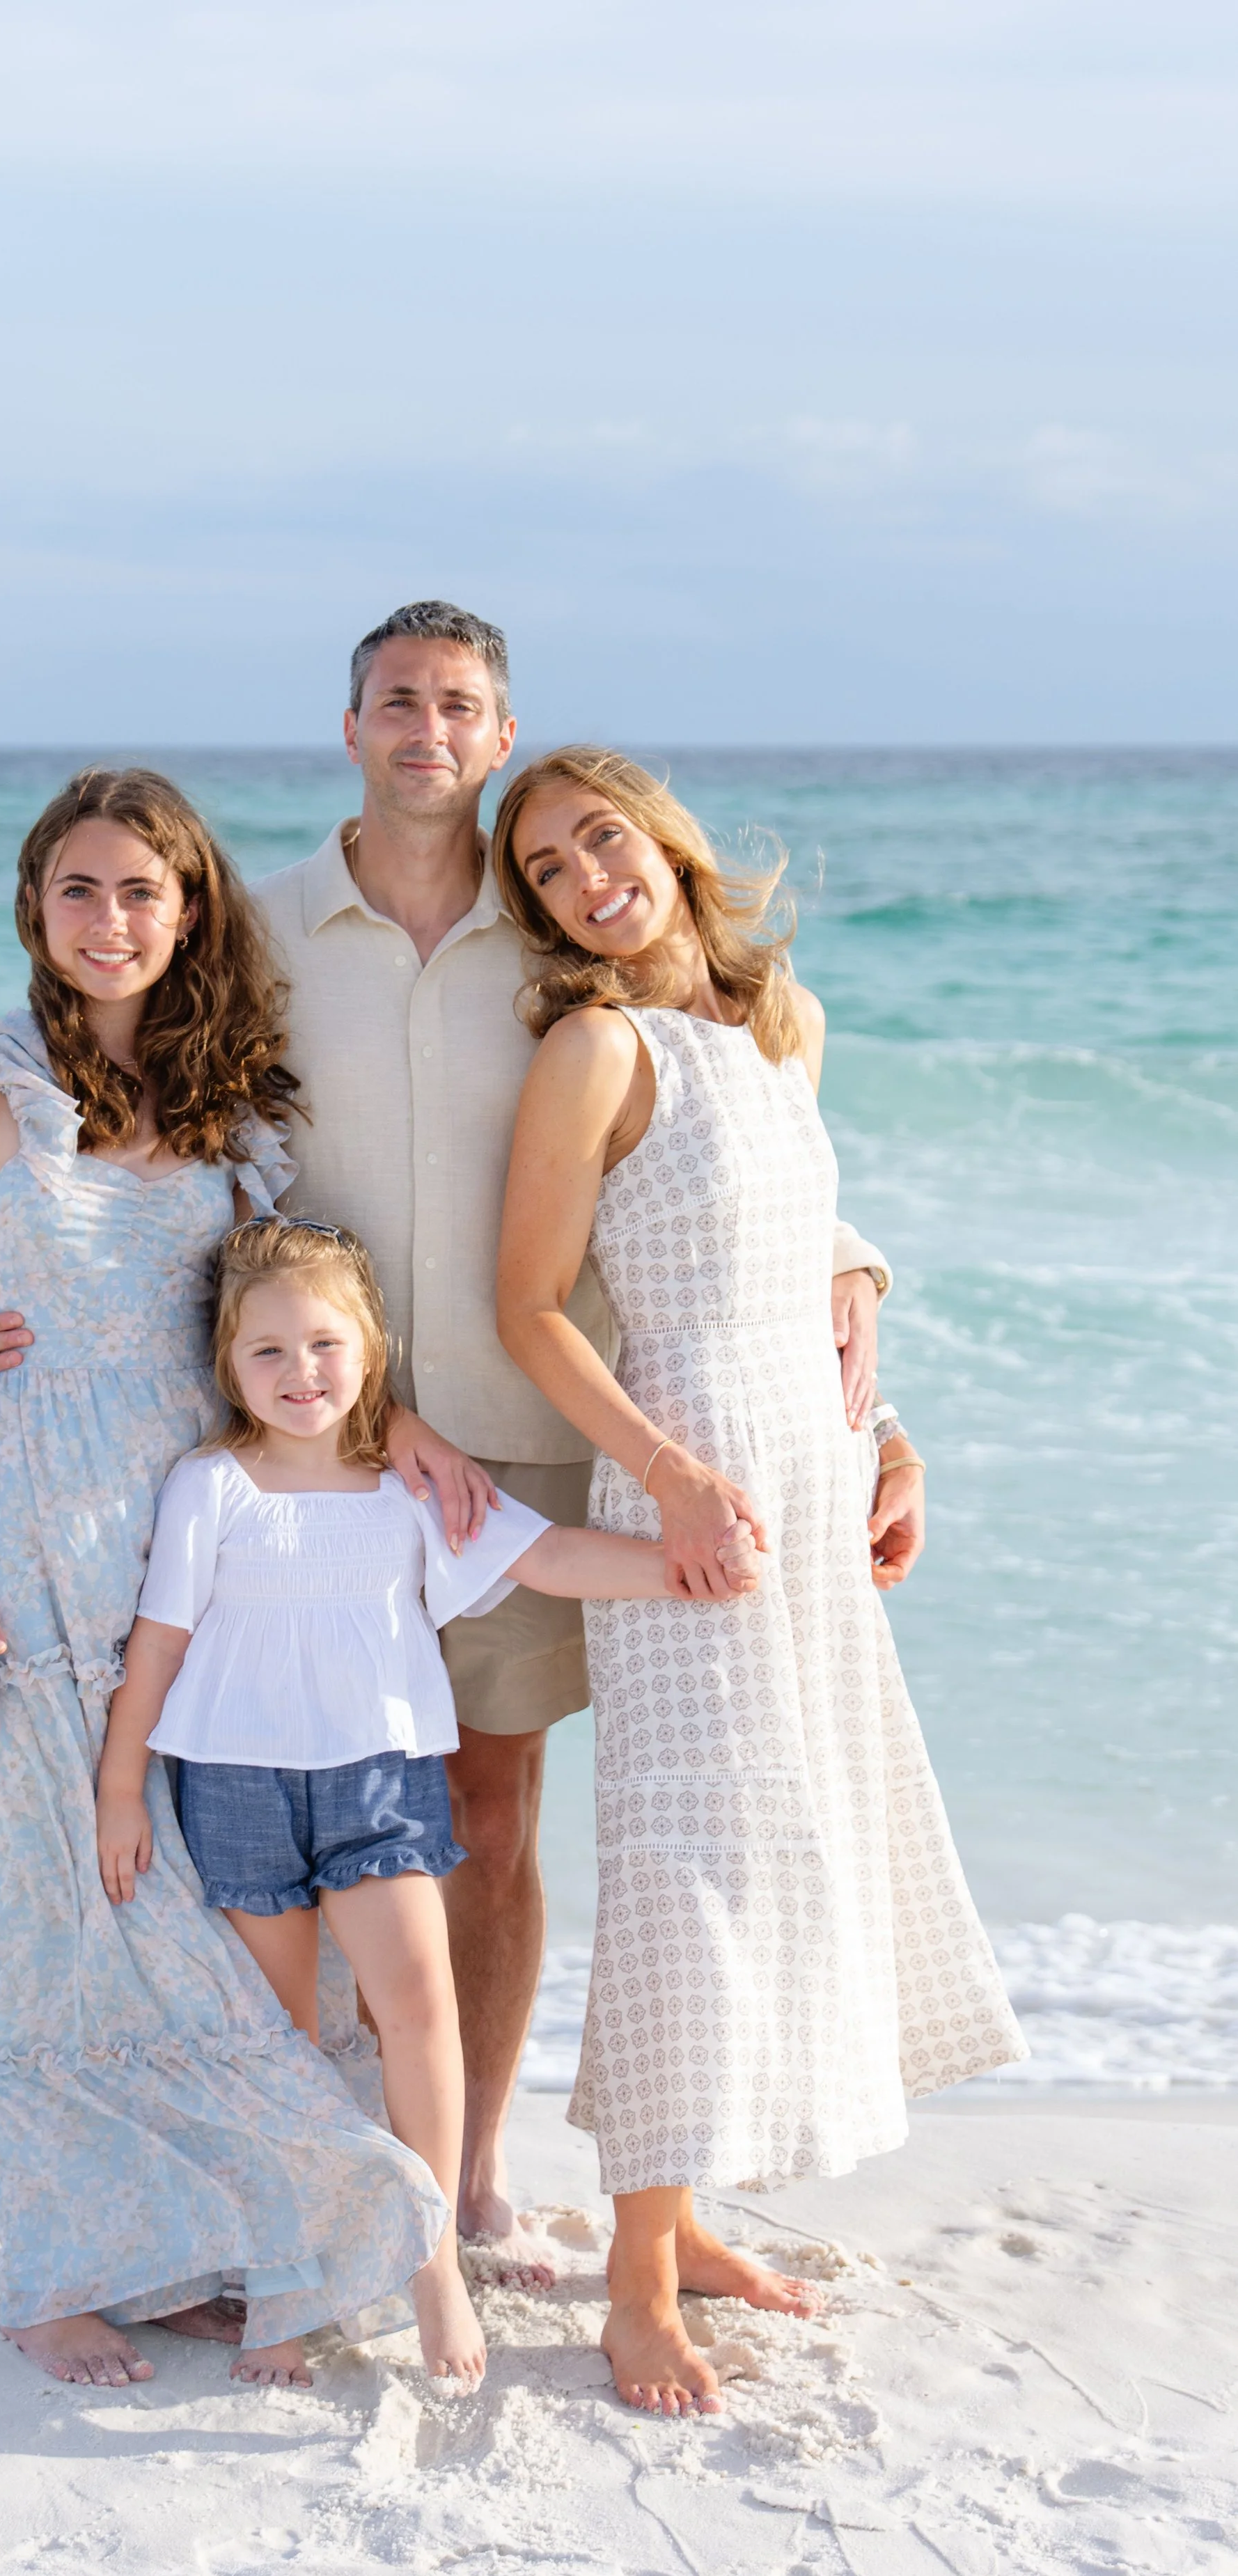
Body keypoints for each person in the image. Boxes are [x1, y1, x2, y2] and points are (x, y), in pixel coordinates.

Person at [0, 601, 898, 2285]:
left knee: (491, 1807)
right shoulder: (256, 924)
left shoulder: (561, 946)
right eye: (397, 700)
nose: (426, 730)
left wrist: (850, 1275)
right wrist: (0, 1276)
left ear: (499, 727)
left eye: (459, 704)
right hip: (319, 1458)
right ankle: (321, 2181)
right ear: (350, 726)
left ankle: (464, 2182)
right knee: (289, 1811)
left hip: (538, 1439)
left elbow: (730, 1130)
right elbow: (143, 1103)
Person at [0, 764, 450, 2394]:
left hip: (214, 1545)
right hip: (33, 1537)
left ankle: (209, 2230)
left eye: (143, 889)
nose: (110, 919)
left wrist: (398, 1441)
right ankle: (57, 2270)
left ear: (190, 908)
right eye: (78, 889)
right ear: (33, 908)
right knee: (57, 1890)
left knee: (201, 1893)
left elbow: (291, 1324)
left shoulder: (236, 1111)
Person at [492, 744, 1026, 2417]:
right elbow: (531, 1309)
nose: (587, 879)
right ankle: (633, 2282)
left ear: (663, 836)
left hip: (804, 1467)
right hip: (689, 1478)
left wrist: (898, 1451)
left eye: (600, 839)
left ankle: (691, 2222)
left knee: (787, 1836)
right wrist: (669, 1482)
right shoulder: (592, 1048)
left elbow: (816, 1277)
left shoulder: (773, 1027)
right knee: (686, 1860)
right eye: (549, 872)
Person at [93, 1216, 759, 2389]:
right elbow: (156, 1646)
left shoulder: (408, 1488)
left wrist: (676, 1565)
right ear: (226, 1366)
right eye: (268, 1353)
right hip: (236, 1786)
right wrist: (119, 1794)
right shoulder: (210, 1489)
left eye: (324, 1345)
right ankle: (288, 2275)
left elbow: (546, 1557)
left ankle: (431, 2257)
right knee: (280, 2042)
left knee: (417, 2009)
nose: (301, 1374)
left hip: (380, 1782)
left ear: (371, 1351)